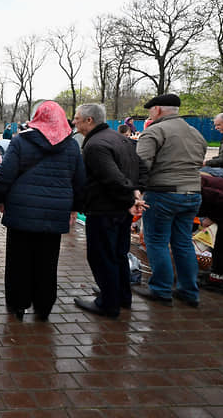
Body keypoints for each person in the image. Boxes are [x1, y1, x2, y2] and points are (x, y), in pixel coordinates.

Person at [0, 101, 85, 321]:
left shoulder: (21, 141)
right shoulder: (71, 146)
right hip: (54, 215)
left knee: (18, 261)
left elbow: (5, 174)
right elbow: (80, 181)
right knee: (47, 262)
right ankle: (43, 307)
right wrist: (75, 208)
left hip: (21, 213)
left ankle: (18, 304)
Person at [71, 104, 147, 318]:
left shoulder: (95, 145)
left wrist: (131, 196)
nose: (73, 122)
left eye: (77, 118)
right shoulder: (120, 138)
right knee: (118, 254)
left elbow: (111, 177)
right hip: (121, 209)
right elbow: (142, 169)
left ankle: (108, 303)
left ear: (89, 120)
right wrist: (136, 193)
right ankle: (120, 295)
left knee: (102, 256)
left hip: (104, 210)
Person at [134, 94, 207, 307]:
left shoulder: (154, 131)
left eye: (150, 110)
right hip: (193, 193)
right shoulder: (196, 133)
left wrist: (135, 190)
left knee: (156, 241)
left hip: (163, 193)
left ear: (156, 109)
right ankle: (188, 291)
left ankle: (161, 289)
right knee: (183, 242)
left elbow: (141, 164)